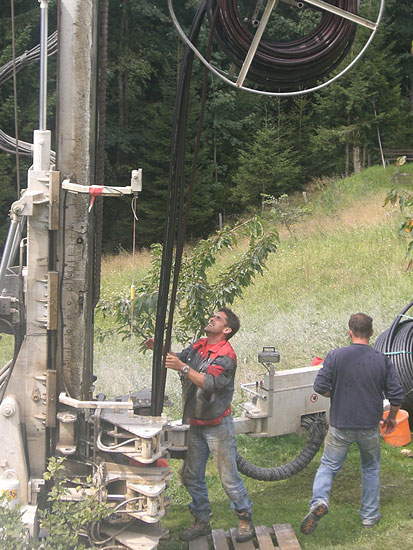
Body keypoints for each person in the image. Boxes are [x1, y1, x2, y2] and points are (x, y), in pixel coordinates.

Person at [145, 308, 253, 542]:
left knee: (228, 478)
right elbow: (180, 359)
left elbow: (209, 383)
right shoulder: (200, 345)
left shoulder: (226, 355)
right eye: (213, 316)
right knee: (192, 476)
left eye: (218, 318)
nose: (212, 318)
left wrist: (182, 367)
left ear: (227, 329)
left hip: (217, 426)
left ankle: (245, 519)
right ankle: (202, 521)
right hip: (196, 423)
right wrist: (159, 349)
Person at [300, 313, 404, 535]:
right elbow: (396, 396)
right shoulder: (381, 360)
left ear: (350, 332)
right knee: (370, 467)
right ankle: (369, 516)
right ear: (371, 333)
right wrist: (392, 418)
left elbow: (319, 387)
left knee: (328, 466)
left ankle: (319, 501)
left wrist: (336, 394)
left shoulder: (336, 356)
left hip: (341, 425)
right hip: (369, 426)